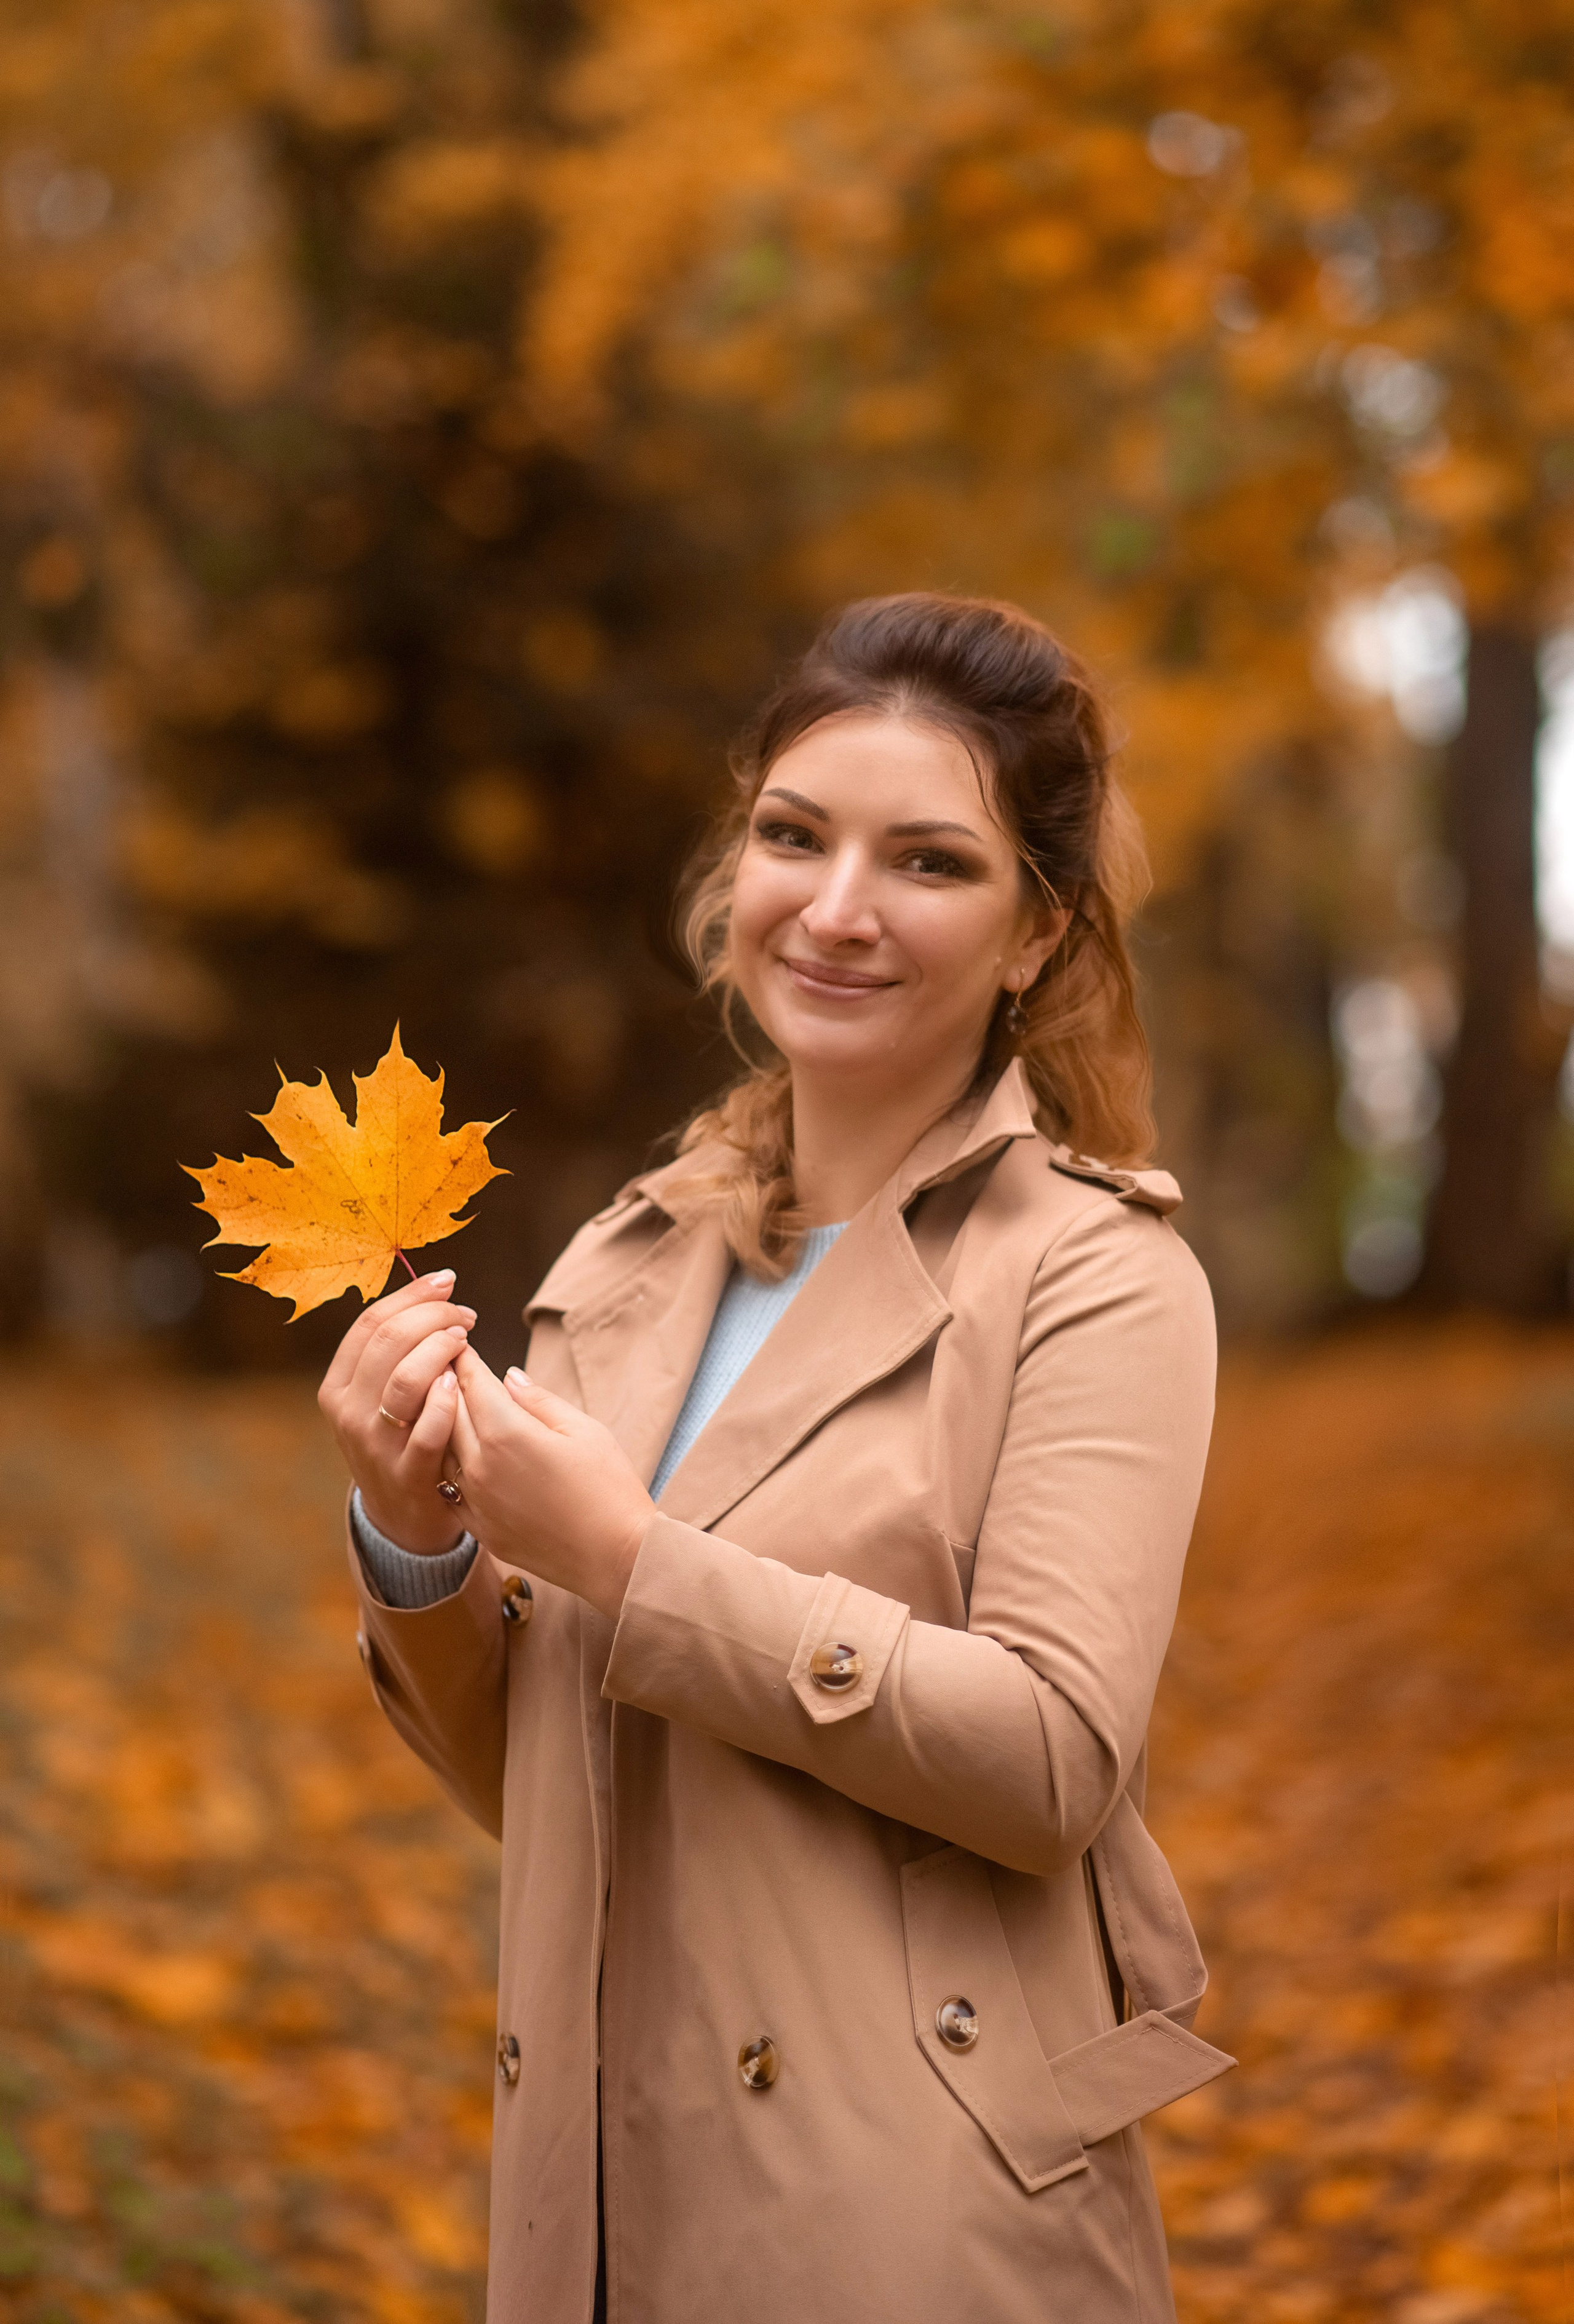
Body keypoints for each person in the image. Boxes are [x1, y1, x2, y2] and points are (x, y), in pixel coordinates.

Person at [318, 592, 1229, 2324]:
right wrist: (416, 1535)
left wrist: (638, 1562)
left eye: (927, 862)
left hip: (902, 2210)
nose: (834, 907)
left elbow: (1053, 1758)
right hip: (591, 2182)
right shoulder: (630, 1258)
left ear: (1038, 931)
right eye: (793, 836)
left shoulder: (1097, 1276)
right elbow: (557, 1786)